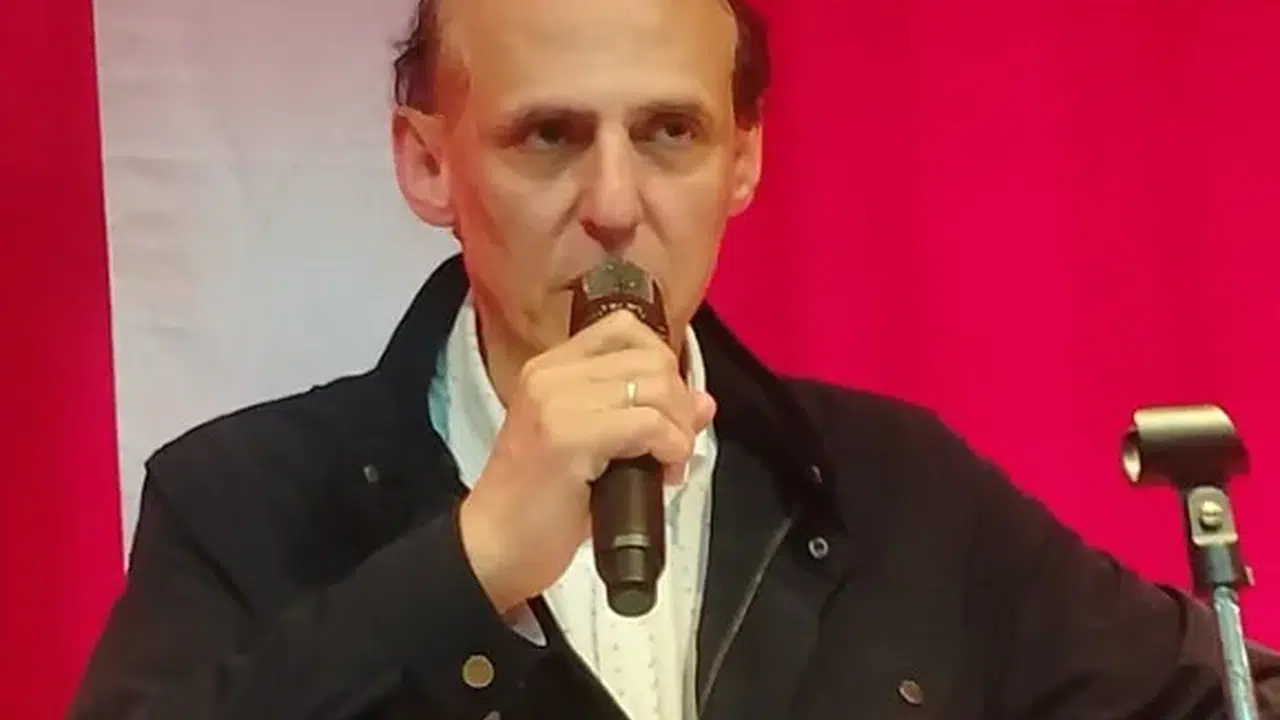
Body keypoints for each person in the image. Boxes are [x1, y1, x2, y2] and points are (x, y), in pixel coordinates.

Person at [71, 0, 1280, 717]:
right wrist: (467, 566)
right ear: (428, 163)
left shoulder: (895, 488)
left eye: (667, 133)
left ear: (741, 159)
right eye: (548, 136)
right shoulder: (242, 500)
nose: (613, 205)